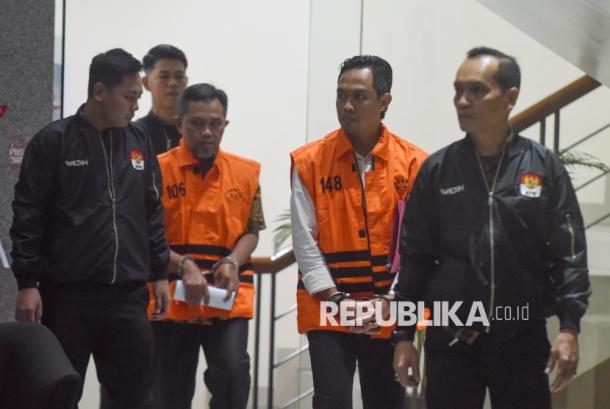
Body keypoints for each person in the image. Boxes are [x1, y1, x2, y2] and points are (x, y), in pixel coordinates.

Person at [392, 46, 592, 409]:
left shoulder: (543, 167)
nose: (462, 100)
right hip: (452, 340)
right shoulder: (438, 170)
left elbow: (570, 254)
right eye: (458, 90)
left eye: (477, 90)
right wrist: (403, 334)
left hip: (521, 338)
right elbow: (415, 257)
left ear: (510, 98)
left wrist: (569, 327)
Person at [10, 48, 170, 409]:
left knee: (134, 397)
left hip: (128, 297)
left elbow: (151, 209)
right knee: (58, 395)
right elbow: (28, 216)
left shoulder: (139, 141)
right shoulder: (53, 141)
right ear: (100, 91)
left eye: (138, 98)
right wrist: (27, 283)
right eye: (129, 97)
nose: (136, 107)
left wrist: (160, 272)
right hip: (67, 297)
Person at [290, 55, 427, 409]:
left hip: (388, 306)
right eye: (341, 95)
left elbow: (419, 246)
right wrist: (337, 300)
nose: (347, 105)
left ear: (384, 101)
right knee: (331, 399)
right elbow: (304, 242)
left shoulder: (415, 164)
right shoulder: (309, 161)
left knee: (386, 400)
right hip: (328, 304)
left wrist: (390, 301)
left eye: (359, 96)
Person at [148, 83, 265, 409]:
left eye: (215, 123)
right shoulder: (156, 171)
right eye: (197, 123)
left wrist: (232, 261)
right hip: (171, 296)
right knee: (168, 392)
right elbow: (144, 235)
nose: (207, 132)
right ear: (179, 124)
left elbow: (252, 230)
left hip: (226, 296)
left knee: (233, 376)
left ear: (225, 124)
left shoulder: (246, 172)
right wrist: (183, 265)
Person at [137, 44, 189, 154]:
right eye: (164, 76)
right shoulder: (135, 135)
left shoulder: (195, 133)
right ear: (146, 83)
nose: (173, 83)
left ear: (186, 81)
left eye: (179, 76)